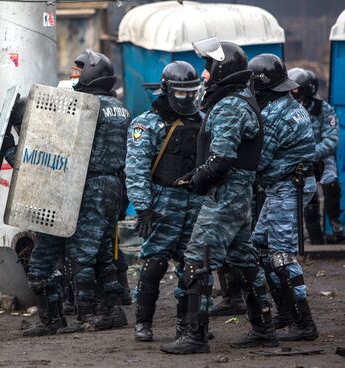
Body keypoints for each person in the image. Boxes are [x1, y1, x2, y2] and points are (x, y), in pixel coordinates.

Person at [160, 39, 278, 354]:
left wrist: (198, 179)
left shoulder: (230, 105)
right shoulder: (239, 100)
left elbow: (222, 157)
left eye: (209, 67)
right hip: (237, 193)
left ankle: (195, 337)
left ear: (222, 69)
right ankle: (264, 328)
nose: (204, 73)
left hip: (226, 195)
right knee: (243, 260)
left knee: (197, 259)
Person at [4, 50, 130, 336]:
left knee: (80, 255)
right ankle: (108, 311)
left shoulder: (88, 107)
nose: (74, 76)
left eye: (78, 71)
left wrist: (14, 143)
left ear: (91, 74)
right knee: (99, 253)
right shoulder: (118, 106)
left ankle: (83, 317)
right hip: (110, 186)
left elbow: (52, 149)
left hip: (83, 185)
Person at [125, 61, 204, 342]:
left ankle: (188, 325)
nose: (187, 98)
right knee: (154, 263)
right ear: (167, 90)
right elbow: (136, 168)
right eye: (181, 93)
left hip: (195, 202)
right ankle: (143, 323)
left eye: (191, 93)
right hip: (163, 201)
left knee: (192, 266)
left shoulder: (203, 120)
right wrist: (143, 207)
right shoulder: (146, 123)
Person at [249, 55, 319, 341]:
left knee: (281, 254)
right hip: (289, 185)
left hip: (288, 187)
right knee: (260, 245)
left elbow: (260, 160)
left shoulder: (274, 115)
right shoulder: (291, 106)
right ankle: (285, 312)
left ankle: (304, 323)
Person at [288, 67, 343, 244]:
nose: (292, 93)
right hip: (299, 161)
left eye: (295, 89)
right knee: (307, 194)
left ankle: (335, 223)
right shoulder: (287, 111)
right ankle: (315, 239)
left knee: (331, 183)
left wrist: (311, 153)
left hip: (321, 158)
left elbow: (332, 139)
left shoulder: (324, 109)